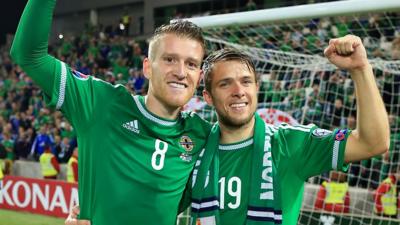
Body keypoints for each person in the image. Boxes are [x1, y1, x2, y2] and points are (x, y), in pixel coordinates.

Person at [11, 0, 210, 224]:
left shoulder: (203, 135)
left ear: (200, 77)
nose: (181, 72)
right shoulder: (101, 104)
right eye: (169, 59)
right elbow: (28, 55)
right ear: (147, 67)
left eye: (191, 64)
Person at [190, 36, 389, 225]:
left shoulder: (291, 143)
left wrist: (361, 69)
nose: (239, 91)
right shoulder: (193, 149)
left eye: (246, 81)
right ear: (208, 97)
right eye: (225, 84)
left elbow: (373, 143)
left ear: (257, 87)